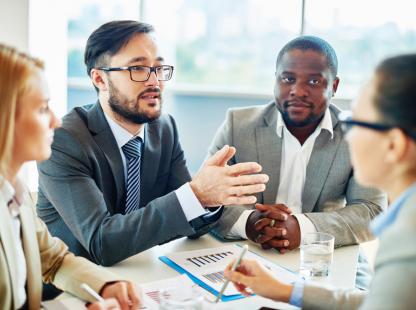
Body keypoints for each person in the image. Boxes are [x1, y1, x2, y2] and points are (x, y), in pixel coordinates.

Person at [36, 19, 269, 268]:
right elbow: (102, 243)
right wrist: (196, 194)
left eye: (158, 68)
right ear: (100, 80)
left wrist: (209, 199)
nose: (154, 82)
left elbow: (190, 222)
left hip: (142, 273)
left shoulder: (164, 129)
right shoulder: (64, 140)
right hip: (72, 288)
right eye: (137, 69)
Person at [225, 54, 416, 309]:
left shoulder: (407, 242)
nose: (347, 136)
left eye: (355, 122)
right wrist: (283, 290)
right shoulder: (406, 220)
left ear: (394, 145)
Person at [208, 36, 386, 256]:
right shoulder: (238, 125)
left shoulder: (357, 135)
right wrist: (250, 222)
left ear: (334, 86)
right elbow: (207, 198)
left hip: (326, 258)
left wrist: (302, 228)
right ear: (276, 80)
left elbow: (372, 210)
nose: (298, 91)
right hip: (249, 252)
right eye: (288, 78)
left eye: (313, 82)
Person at [0, 44, 141, 309]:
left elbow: (54, 260)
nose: (56, 121)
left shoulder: (12, 192)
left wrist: (107, 285)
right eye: (43, 109)